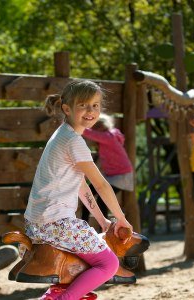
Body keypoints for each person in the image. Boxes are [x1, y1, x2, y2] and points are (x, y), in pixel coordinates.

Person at [24, 80, 132, 300]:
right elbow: (101, 184)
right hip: (56, 223)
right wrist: (121, 219)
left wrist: (103, 220)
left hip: (40, 222)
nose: (91, 111)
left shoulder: (62, 134)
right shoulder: (73, 141)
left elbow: (80, 185)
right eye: (83, 105)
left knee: (89, 249)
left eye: (95, 105)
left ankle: (56, 293)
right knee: (108, 263)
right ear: (67, 108)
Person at [81, 113, 134, 222]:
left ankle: (104, 227)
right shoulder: (110, 137)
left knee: (102, 199)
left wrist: (78, 126)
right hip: (112, 175)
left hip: (121, 176)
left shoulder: (109, 137)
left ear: (99, 128)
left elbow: (90, 134)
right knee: (88, 194)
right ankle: (85, 222)